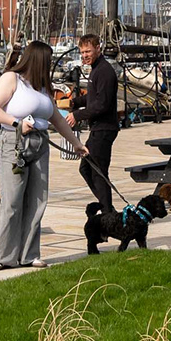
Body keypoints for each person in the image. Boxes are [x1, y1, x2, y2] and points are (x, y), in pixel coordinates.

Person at [0, 40, 87, 270]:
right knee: (12, 201)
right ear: (39, 60)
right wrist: (16, 123)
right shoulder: (12, 79)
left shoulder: (42, 87)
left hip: (40, 143)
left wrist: (76, 143)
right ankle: (3, 257)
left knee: (37, 200)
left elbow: (56, 118)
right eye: (48, 61)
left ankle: (30, 254)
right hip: (15, 141)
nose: (50, 65)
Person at [74, 33, 118, 211]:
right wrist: (74, 102)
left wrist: (77, 115)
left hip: (104, 129)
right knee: (86, 169)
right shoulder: (95, 69)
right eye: (82, 52)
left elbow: (102, 104)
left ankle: (108, 212)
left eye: (88, 51)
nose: (85, 55)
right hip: (97, 128)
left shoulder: (105, 71)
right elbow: (93, 98)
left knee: (98, 173)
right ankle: (108, 208)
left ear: (98, 48)